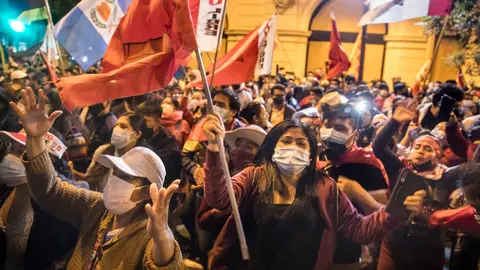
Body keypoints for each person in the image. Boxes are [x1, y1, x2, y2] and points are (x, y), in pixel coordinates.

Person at [200, 115, 426, 269]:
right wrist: (213, 149)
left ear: (311, 154)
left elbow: (359, 230)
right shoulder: (253, 176)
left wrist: (395, 211)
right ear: (273, 148)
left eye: (301, 144)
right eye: (286, 141)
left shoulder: (325, 187)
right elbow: (219, 198)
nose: (293, 148)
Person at [9, 88, 182, 269]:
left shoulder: (148, 234)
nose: (115, 180)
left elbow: (166, 263)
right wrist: (35, 140)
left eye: (126, 177)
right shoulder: (97, 208)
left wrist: (163, 238)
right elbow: (51, 191)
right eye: (115, 173)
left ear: (148, 191)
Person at [373, 99, 461, 270]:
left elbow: (473, 166)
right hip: (393, 240)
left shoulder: (446, 176)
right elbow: (378, 147)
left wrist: (452, 129)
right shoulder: (399, 167)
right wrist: (394, 122)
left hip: (430, 246)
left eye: (428, 149)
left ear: (438, 156)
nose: (421, 150)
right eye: (417, 146)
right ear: (410, 150)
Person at [317, 102, 390, 268]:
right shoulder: (320, 157)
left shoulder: (368, 165)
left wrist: (359, 193)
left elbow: (384, 214)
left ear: (355, 135)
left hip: (347, 256)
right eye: (327, 126)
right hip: (315, 250)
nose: (331, 133)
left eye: (340, 128)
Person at [69, 113, 146, 191]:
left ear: (137, 134)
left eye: (123, 126)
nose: (117, 129)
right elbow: (90, 179)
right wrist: (73, 172)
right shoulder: (104, 151)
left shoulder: (142, 160)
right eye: (116, 125)